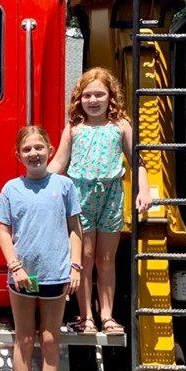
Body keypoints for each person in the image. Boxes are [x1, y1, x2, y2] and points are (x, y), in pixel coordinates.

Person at [0, 126, 83, 371]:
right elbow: (2, 231)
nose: (33, 154)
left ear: (50, 148)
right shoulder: (11, 189)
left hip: (56, 276)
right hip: (24, 278)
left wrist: (76, 267)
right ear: (18, 155)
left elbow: (75, 228)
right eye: (27, 149)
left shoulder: (64, 185)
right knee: (25, 339)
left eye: (38, 148)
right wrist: (14, 266)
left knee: (49, 340)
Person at [49, 67, 152, 334]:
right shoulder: (74, 128)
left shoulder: (121, 126)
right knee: (84, 256)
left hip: (111, 195)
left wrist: (144, 189)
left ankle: (107, 315)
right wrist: (36, 182)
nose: (93, 100)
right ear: (79, 98)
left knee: (106, 258)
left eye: (99, 95)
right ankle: (86, 316)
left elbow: (137, 160)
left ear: (110, 97)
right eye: (87, 95)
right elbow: (60, 161)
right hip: (80, 196)